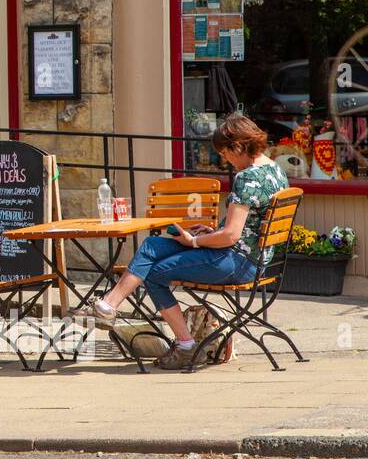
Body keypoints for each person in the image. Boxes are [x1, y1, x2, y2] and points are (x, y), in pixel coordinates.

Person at [76, 113, 289, 370]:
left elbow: (232, 236)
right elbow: (246, 227)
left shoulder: (247, 178)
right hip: (251, 258)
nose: (225, 160)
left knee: (154, 274)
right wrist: (210, 231)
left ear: (239, 146)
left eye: (225, 153)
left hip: (235, 261)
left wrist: (195, 242)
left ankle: (186, 346)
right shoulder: (275, 170)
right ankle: (107, 306)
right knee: (152, 246)